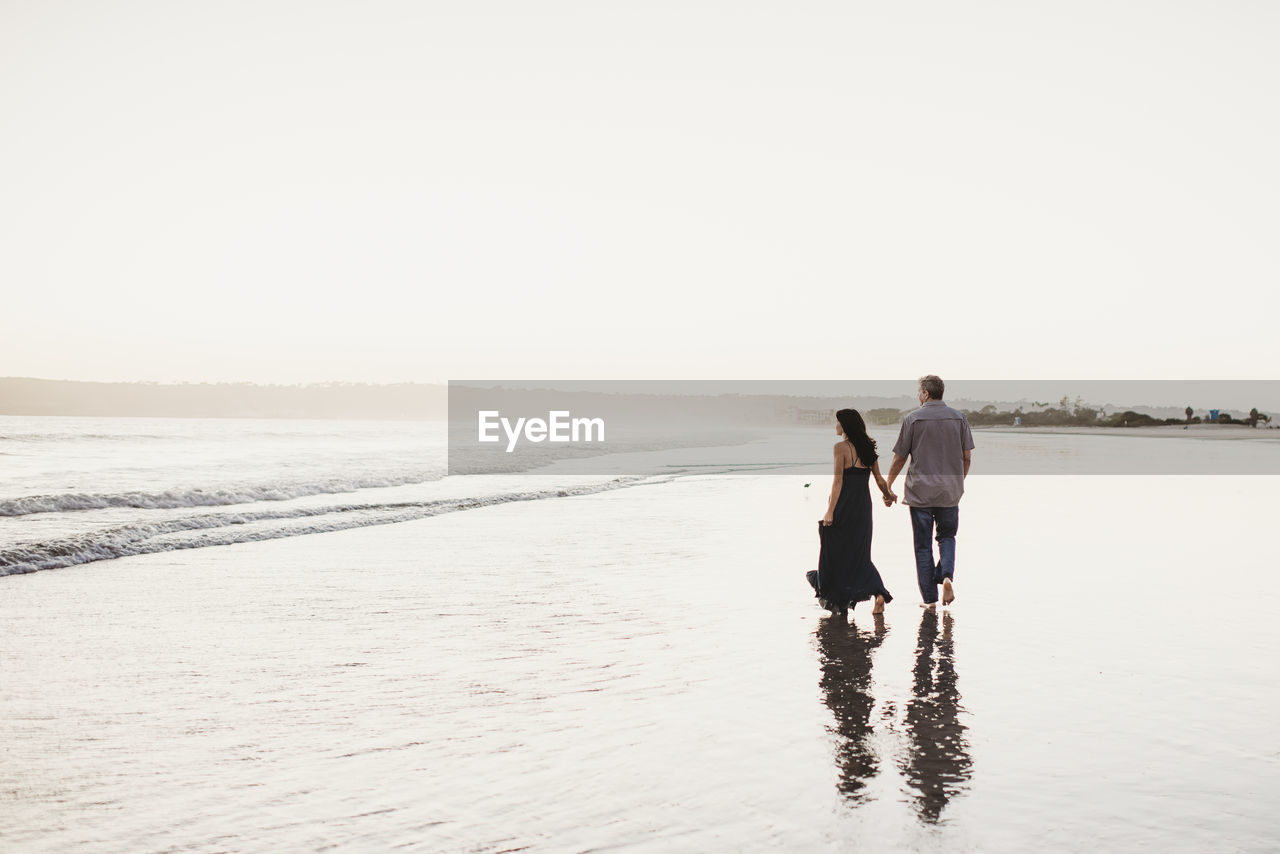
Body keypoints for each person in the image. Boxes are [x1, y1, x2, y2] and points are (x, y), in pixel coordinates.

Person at [884, 375, 974, 610]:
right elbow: (967, 457)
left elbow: (900, 457)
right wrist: (957, 482)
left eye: (918, 391)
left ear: (925, 393)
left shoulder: (913, 419)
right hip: (949, 492)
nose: (918, 395)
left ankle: (930, 599)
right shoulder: (959, 418)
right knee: (947, 537)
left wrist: (888, 485)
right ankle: (946, 576)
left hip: (920, 493)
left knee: (922, 546)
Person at [807, 408, 896, 618]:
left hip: (844, 507)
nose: (835, 426)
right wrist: (889, 495)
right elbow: (879, 480)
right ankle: (878, 593)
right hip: (863, 508)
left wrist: (829, 511)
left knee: (835, 552)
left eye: (837, 422)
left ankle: (840, 599)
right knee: (860, 554)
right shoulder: (868, 446)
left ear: (845, 426)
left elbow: (838, 482)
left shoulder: (840, 448)